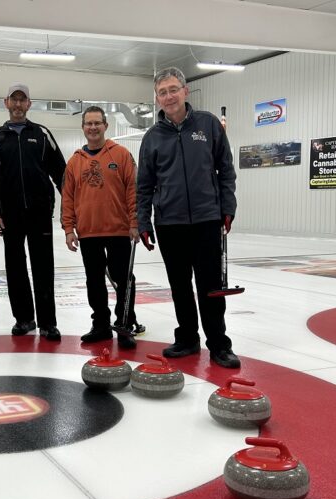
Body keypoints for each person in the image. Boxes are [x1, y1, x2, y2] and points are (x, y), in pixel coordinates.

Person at [137, 67, 239, 368]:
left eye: (173, 89)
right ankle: (187, 338)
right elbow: (144, 185)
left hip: (207, 219)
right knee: (180, 285)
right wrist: (143, 221)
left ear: (185, 91)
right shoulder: (152, 137)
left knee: (210, 286)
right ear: (157, 99)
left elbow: (226, 169)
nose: (168, 96)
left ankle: (219, 344)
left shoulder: (208, 124)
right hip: (169, 223)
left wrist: (227, 206)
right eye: (162, 92)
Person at [0, 83, 66, 342]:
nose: (18, 104)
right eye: (14, 99)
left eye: (23, 100)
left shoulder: (42, 134)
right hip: (10, 215)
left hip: (40, 213)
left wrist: (71, 206)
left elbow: (61, 173)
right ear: (6, 103)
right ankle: (23, 319)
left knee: (43, 267)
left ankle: (48, 323)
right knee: (15, 268)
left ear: (29, 104)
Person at [61, 106, 139, 349]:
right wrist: (68, 229)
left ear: (106, 125)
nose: (93, 127)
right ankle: (101, 325)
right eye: (89, 123)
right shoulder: (74, 161)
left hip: (118, 230)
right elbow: (67, 197)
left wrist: (135, 222)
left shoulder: (121, 155)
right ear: (83, 127)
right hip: (88, 232)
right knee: (94, 281)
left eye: (97, 123)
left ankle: (125, 324)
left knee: (123, 279)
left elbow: (133, 190)